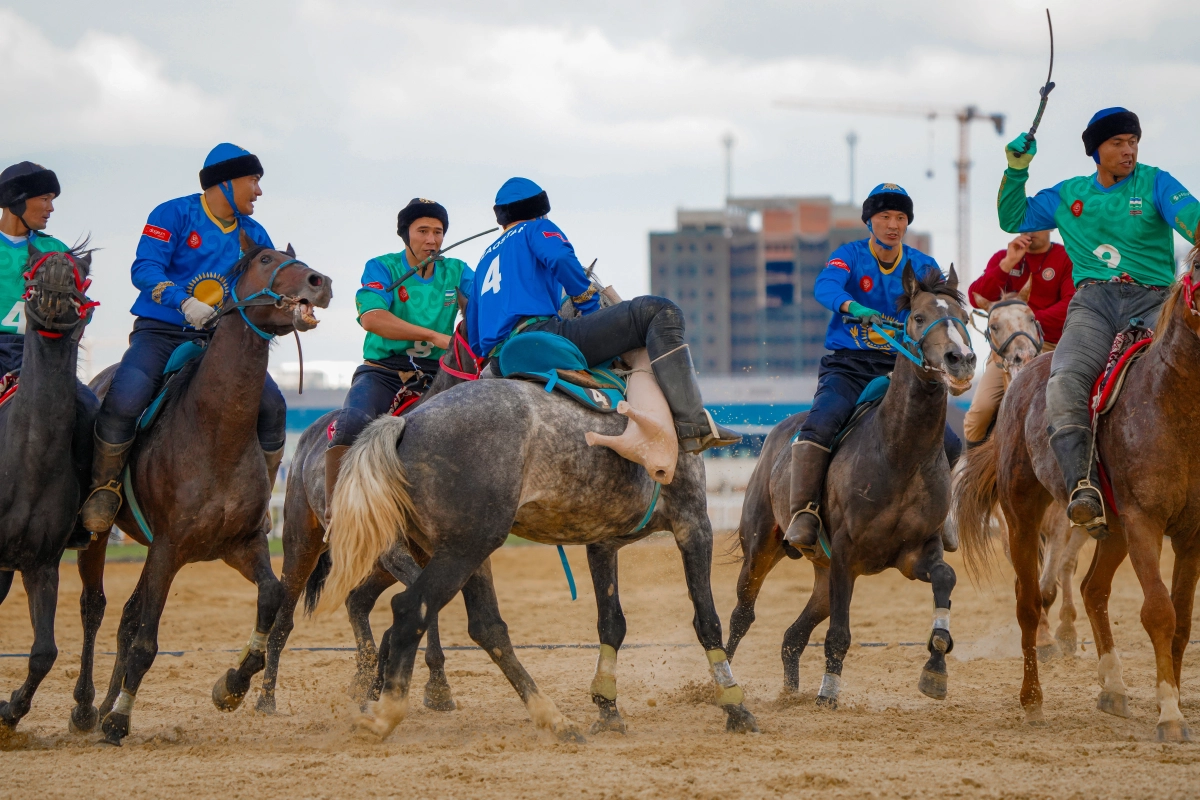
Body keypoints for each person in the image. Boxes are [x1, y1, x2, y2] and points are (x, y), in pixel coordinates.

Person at [998, 107, 1200, 534]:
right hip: (1093, 304)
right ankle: (1082, 487)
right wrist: (1017, 170)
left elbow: (1193, 221)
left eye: (1133, 142)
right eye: (1118, 143)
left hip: (1155, 303)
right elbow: (1011, 219)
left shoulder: (1157, 182)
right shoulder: (1068, 194)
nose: (1128, 150)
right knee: (1066, 378)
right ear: (1096, 151)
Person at [80, 143, 288, 534]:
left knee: (273, 406)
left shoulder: (255, 233)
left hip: (219, 342)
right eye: (253, 181)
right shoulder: (172, 214)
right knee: (123, 400)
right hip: (160, 333)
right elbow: (144, 268)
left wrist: (290, 312)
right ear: (224, 183)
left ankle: (256, 503)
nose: (258, 192)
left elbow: (263, 291)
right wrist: (183, 301)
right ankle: (103, 488)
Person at [467, 176, 740, 452]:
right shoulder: (537, 228)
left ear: (502, 220)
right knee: (659, 311)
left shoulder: (483, 261)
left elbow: (475, 339)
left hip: (500, 361)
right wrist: (588, 305)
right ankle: (693, 423)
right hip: (540, 337)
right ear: (540, 211)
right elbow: (561, 259)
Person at [784, 183, 962, 560]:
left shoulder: (923, 266)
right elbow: (824, 286)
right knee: (821, 424)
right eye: (884, 217)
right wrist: (851, 306)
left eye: (900, 218)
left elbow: (942, 307)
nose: (893, 225)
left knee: (950, 443)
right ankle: (804, 513)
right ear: (869, 222)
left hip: (900, 370)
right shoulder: (848, 256)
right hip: (847, 365)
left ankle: (940, 515)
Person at [324, 198, 474, 509]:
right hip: (383, 372)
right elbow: (372, 317)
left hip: (438, 375)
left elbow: (482, 310)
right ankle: (334, 512)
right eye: (422, 231)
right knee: (351, 425)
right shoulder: (382, 267)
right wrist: (432, 335)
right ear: (405, 234)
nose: (431, 240)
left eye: (438, 232)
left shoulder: (456, 271)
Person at [0, 162, 98, 548]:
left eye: (52, 199)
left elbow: (81, 305)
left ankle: (78, 511)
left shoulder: (56, 251)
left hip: (45, 356)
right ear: (14, 201)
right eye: (44, 198)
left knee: (90, 408)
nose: (51, 208)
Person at [962, 230, 1074, 446]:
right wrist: (1008, 263)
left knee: (1069, 407)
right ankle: (971, 469)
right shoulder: (1002, 258)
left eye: (1038, 224)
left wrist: (1024, 322)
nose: (1031, 230)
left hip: (1051, 347)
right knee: (980, 410)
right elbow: (977, 298)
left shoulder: (1065, 258)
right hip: (1004, 352)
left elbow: (1071, 304)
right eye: (1025, 225)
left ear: (1050, 226)